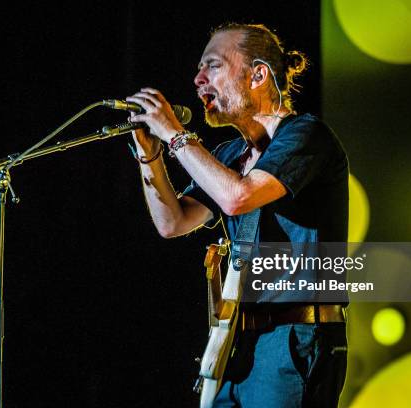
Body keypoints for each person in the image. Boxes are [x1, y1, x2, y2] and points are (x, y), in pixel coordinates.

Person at [127, 23, 348, 408]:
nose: (198, 80)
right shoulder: (232, 154)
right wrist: (151, 155)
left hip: (293, 338)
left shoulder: (305, 136)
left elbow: (238, 197)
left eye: (212, 66)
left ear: (258, 74)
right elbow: (172, 222)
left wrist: (176, 135)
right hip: (237, 343)